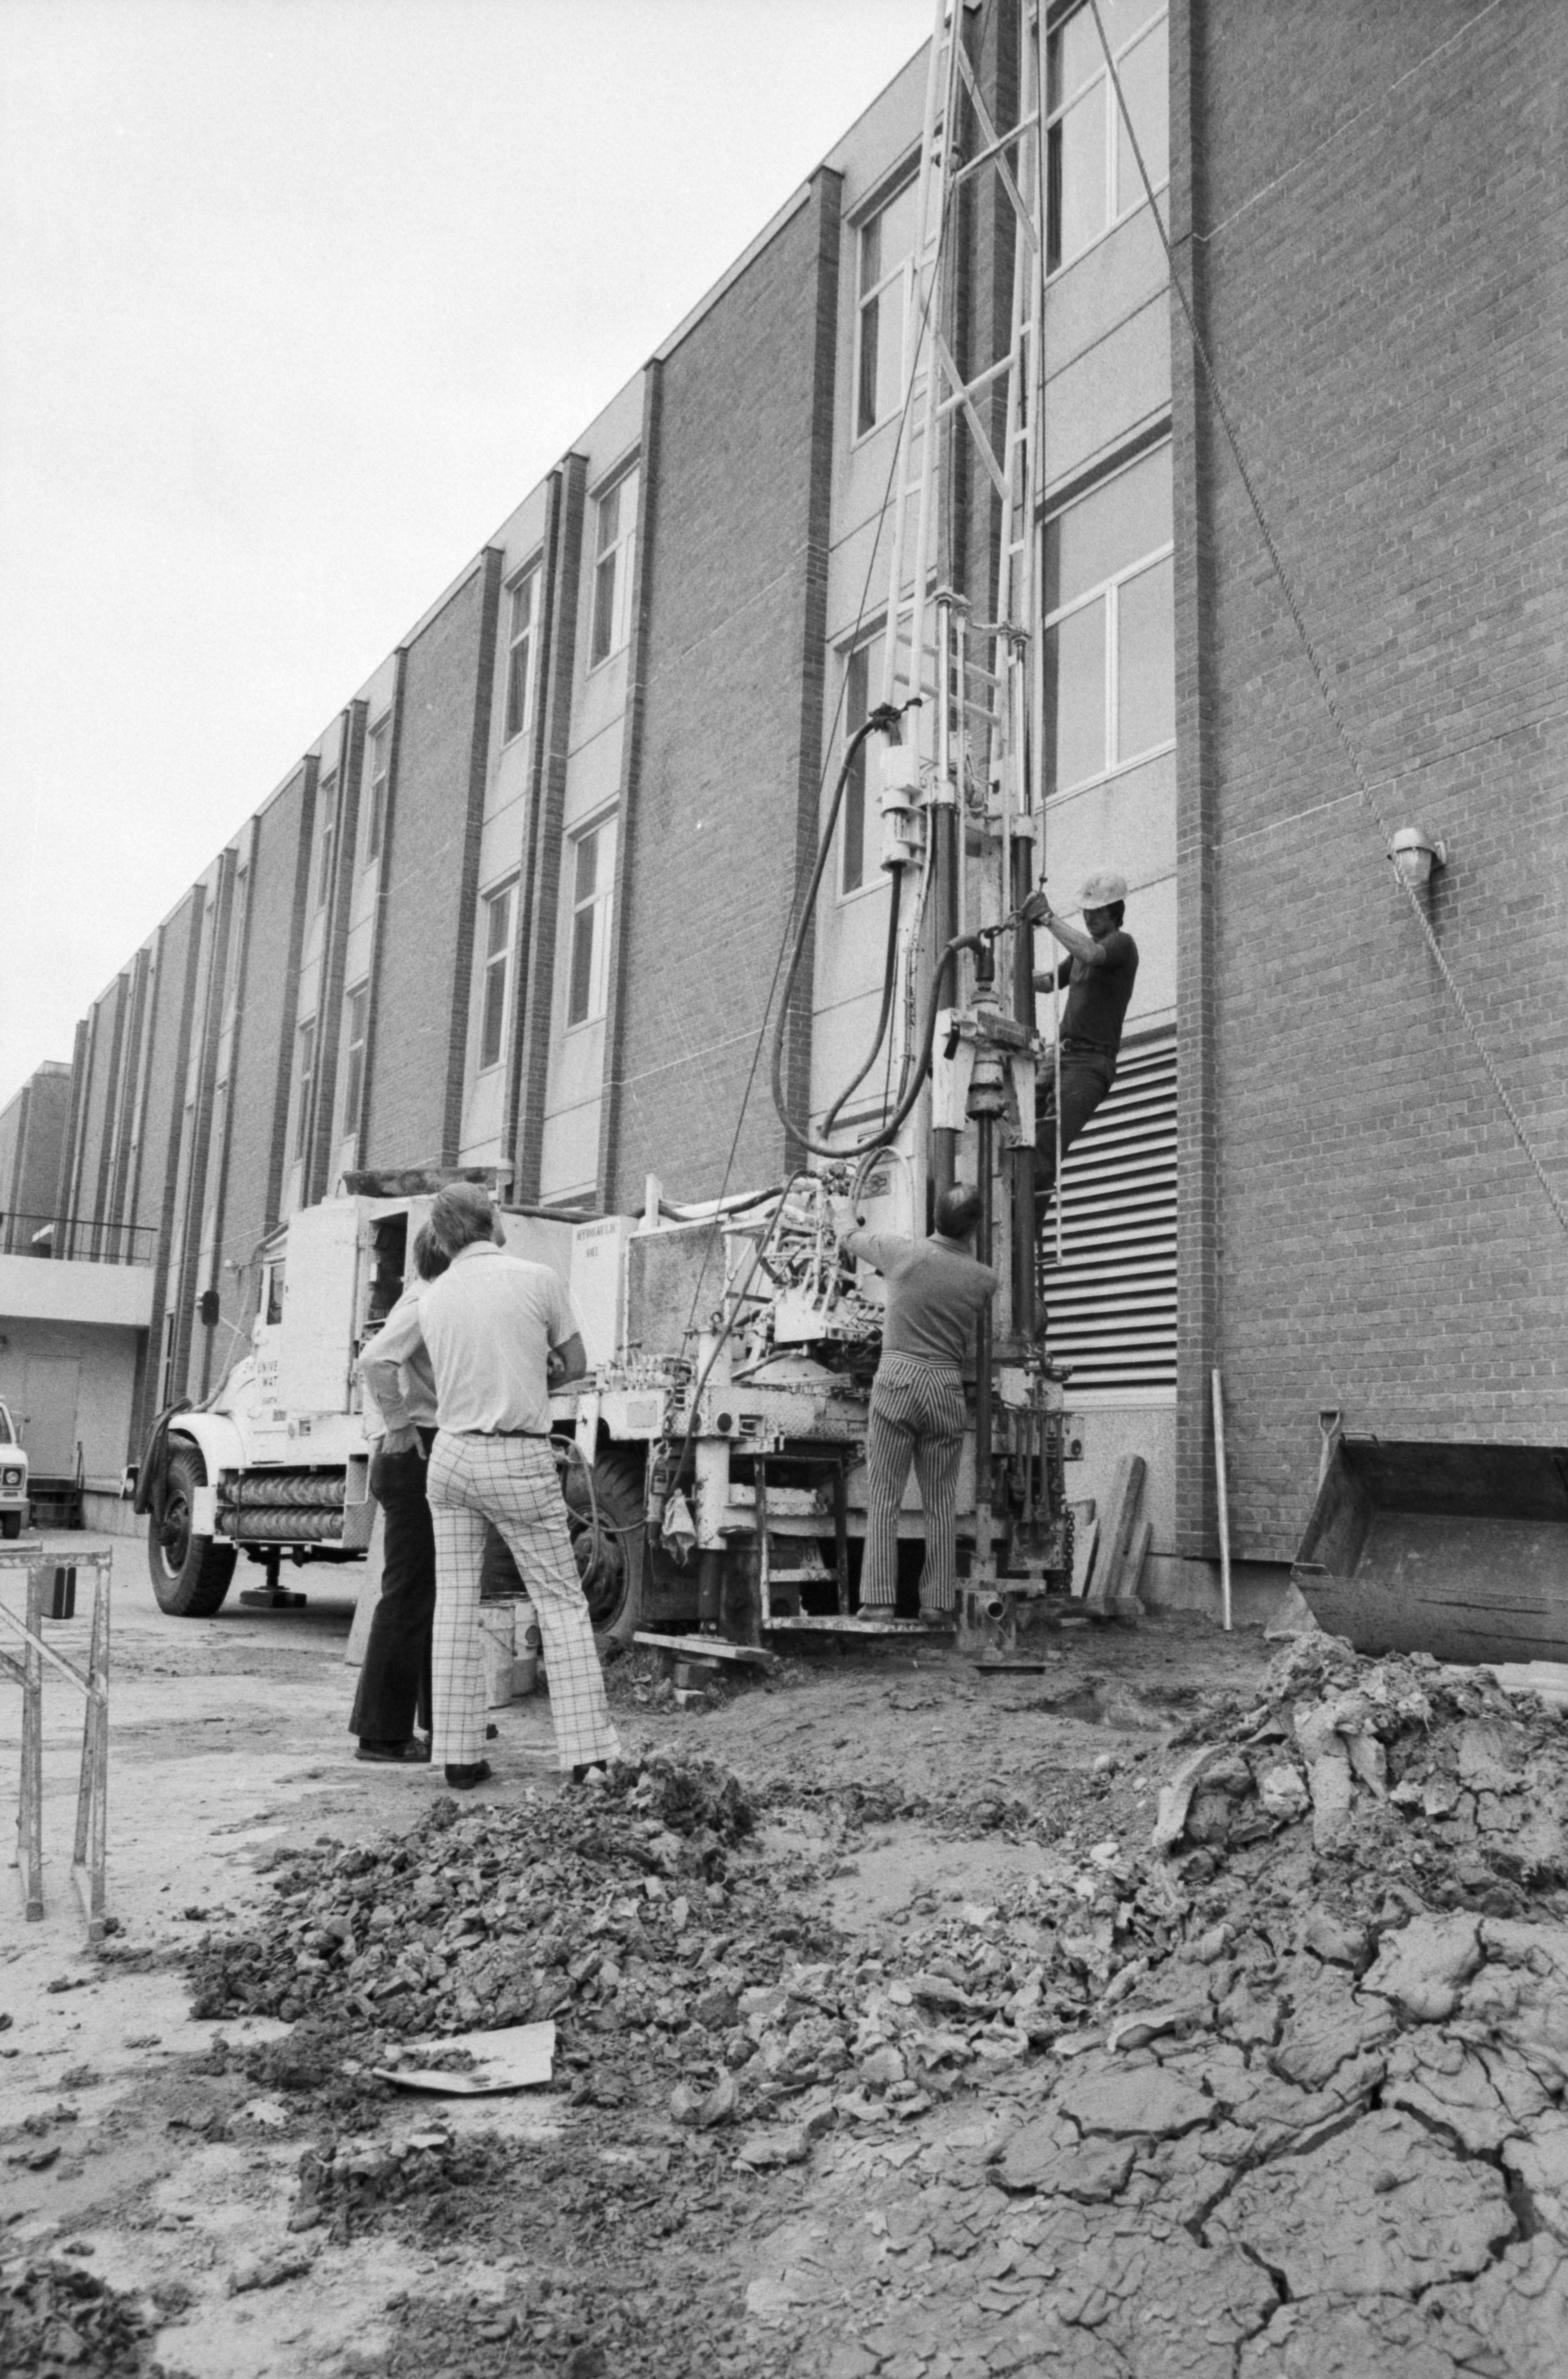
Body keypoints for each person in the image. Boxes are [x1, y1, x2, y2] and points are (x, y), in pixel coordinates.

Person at [358, 1183, 620, 1790]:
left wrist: (399, 1426)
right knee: (559, 1602)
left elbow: (376, 1361)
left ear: (444, 1237)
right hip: (516, 1453)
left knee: (452, 1606)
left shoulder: (432, 1294)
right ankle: (586, 1754)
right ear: (493, 1220)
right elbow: (576, 1364)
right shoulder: (537, 1278)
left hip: (449, 1457)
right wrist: (538, 1370)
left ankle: (458, 1756)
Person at [842, 1186, 999, 1624]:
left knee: (885, 1496)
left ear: (933, 1216)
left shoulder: (901, 1253)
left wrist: (840, 1209)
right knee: (941, 1503)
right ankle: (936, 1603)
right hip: (946, 1387)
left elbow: (848, 1239)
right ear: (975, 1227)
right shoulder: (986, 1280)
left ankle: (878, 1601)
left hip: (898, 1379)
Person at [350, 1224, 439, 1764]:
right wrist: (400, 1424)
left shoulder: (423, 1296)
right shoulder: (428, 1301)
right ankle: (381, 1734)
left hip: (414, 1451)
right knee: (408, 1594)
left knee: (426, 1592)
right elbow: (374, 1359)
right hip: (413, 1453)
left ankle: (436, 1716)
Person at [1024, 869, 1139, 1205]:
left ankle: (1025, 1240)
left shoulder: (1121, 944)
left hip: (1089, 1064)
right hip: (1058, 1057)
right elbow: (1047, 982)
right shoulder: (1079, 952)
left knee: (1044, 1152)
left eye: (1097, 912)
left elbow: (1092, 955)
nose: (1089, 918)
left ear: (1114, 912)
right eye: (1086, 912)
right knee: (1021, 1130)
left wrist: (1047, 918)